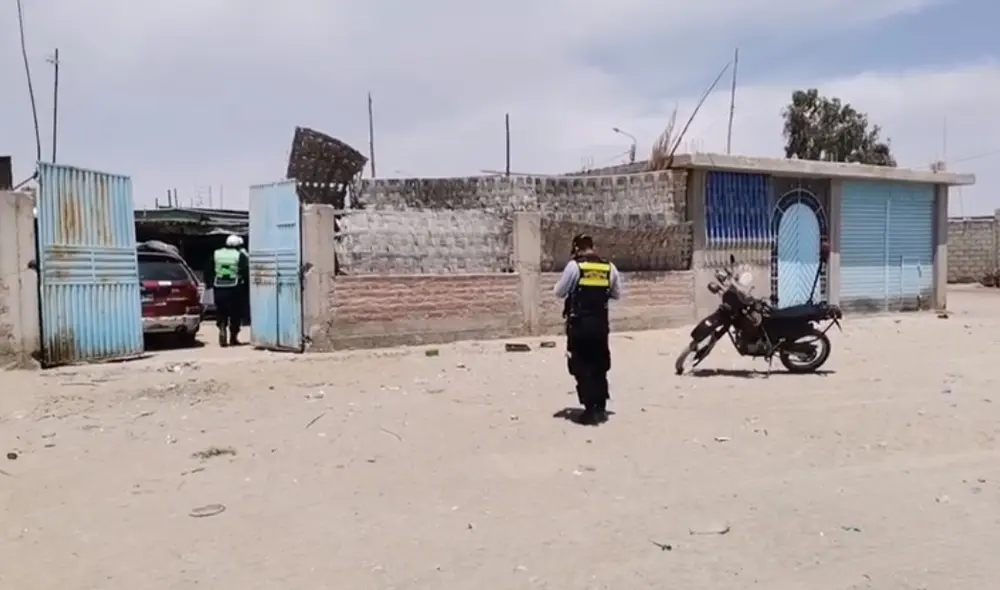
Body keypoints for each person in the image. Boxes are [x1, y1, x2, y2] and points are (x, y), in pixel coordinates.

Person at [554, 234, 621, 424]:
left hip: (580, 325)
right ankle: (600, 406)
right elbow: (616, 294)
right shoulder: (609, 267)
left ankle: (590, 409)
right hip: (601, 325)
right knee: (600, 364)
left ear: (576, 248)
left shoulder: (574, 267)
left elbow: (559, 291)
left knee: (581, 365)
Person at [204, 235, 250, 347]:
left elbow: (209, 269)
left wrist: (209, 283)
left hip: (219, 287)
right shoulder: (240, 255)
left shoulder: (216, 253)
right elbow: (245, 271)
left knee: (221, 311)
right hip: (235, 288)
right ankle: (233, 337)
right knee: (235, 313)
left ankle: (222, 328)